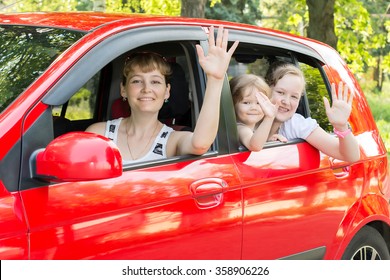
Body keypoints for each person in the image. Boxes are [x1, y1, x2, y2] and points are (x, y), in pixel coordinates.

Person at [86, 26, 239, 164]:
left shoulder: (171, 140)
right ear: (123, 90)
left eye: (155, 82)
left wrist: (215, 80)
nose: (146, 88)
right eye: (137, 81)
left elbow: (200, 144)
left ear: (167, 92)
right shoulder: (99, 134)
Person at [264, 62, 360, 162]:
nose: (286, 101)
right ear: (267, 90)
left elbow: (351, 156)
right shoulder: (250, 116)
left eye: (294, 96)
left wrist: (341, 126)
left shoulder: (295, 124)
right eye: (280, 92)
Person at [229, 74, 287, 151]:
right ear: (233, 104)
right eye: (246, 102)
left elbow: (256, 141)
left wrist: (267, 141)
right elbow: (255, 146)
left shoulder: (255, 127)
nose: (253, 108)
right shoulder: (240, 128)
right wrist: (269, 118)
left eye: (259, 103)